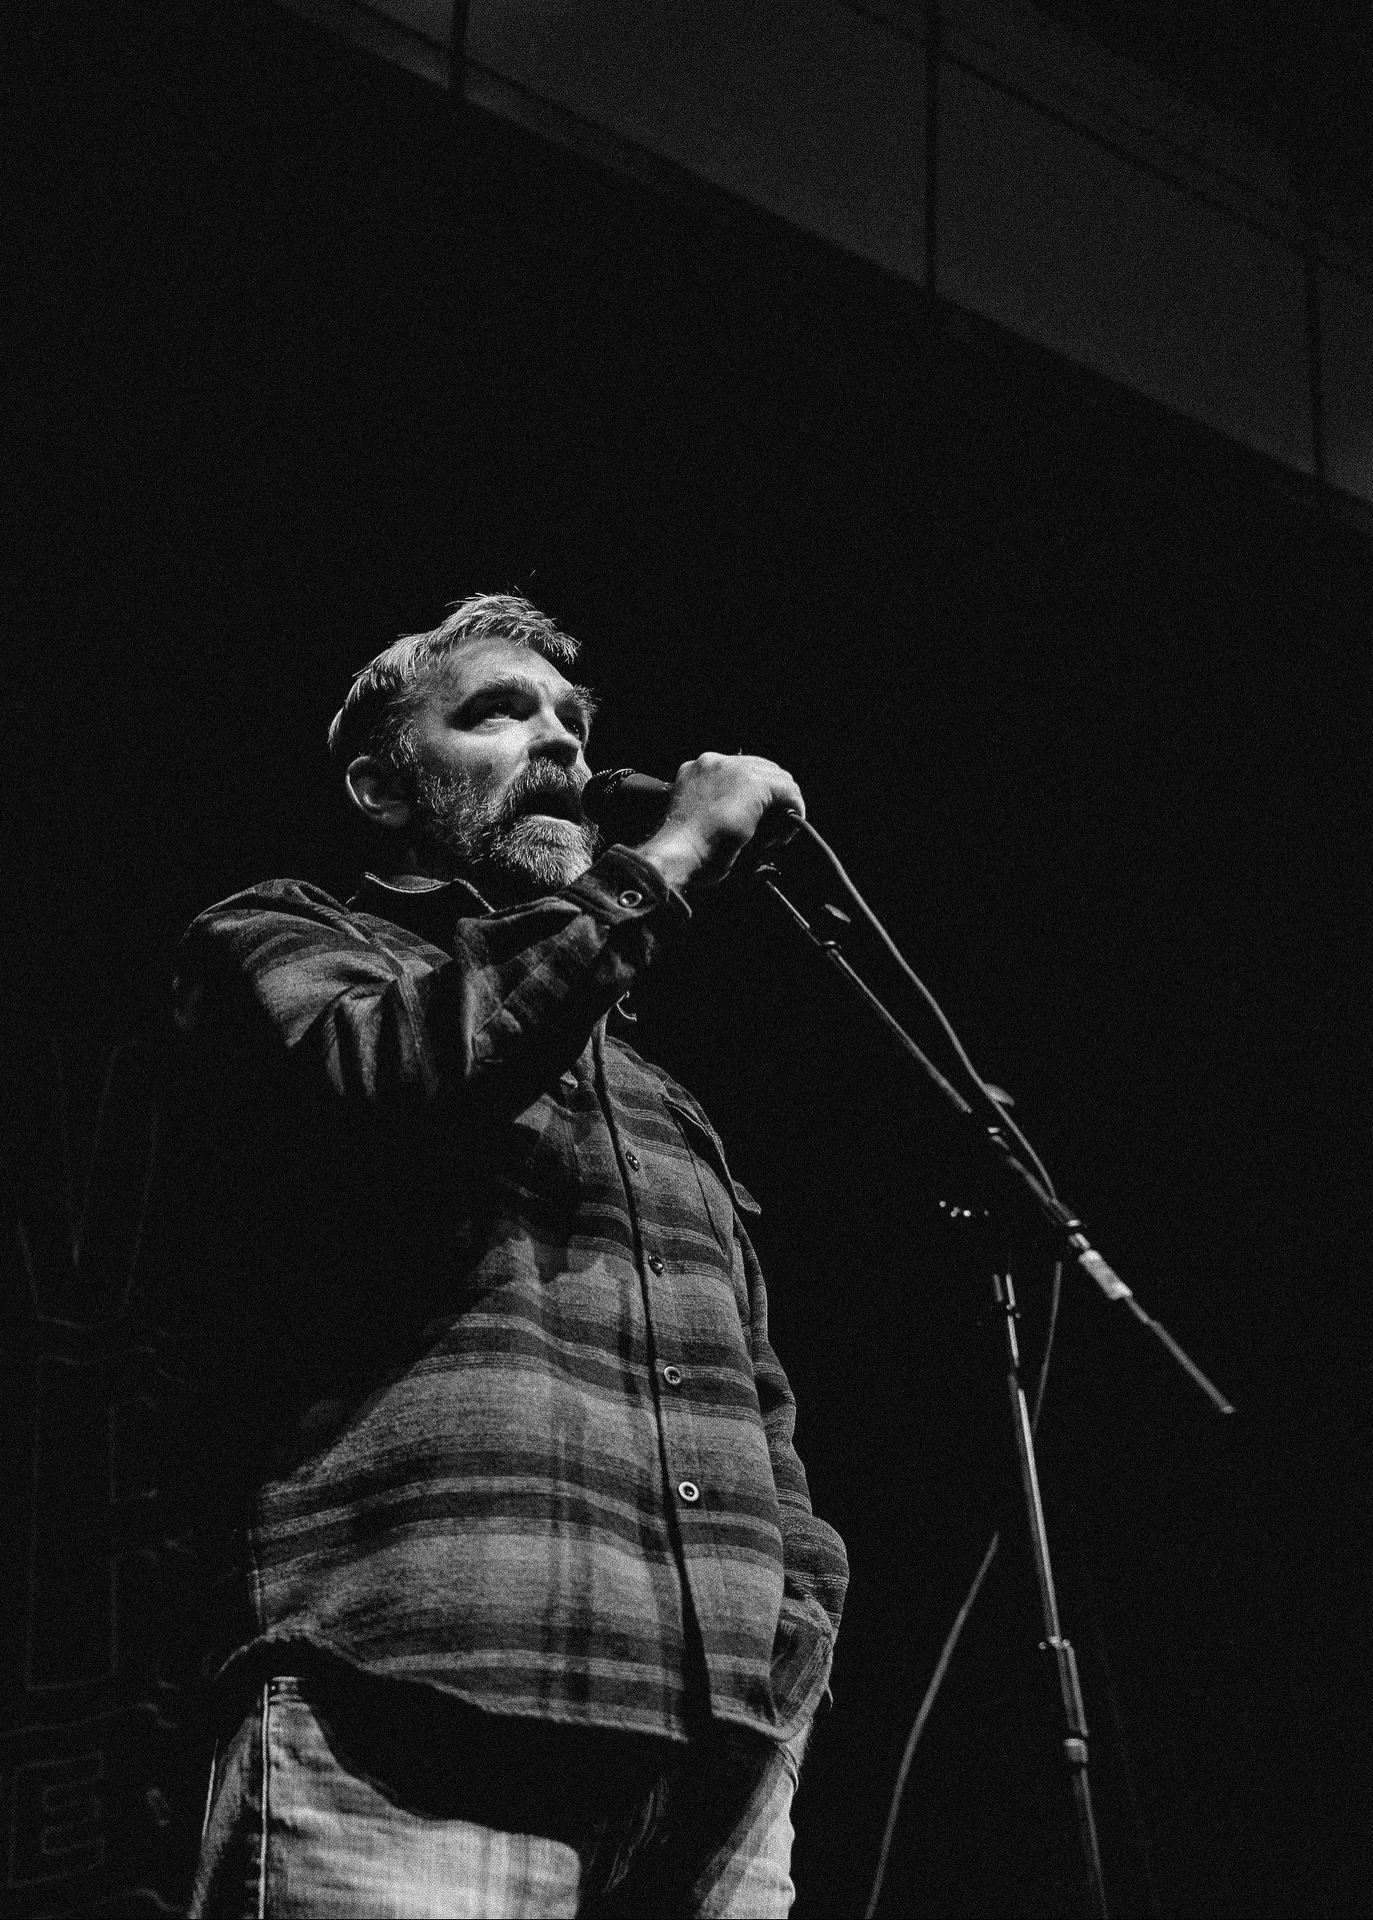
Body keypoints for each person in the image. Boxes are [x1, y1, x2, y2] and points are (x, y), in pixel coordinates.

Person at [173, 593, 848, 1917]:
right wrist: (669, 857)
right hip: (418, 1701)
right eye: (498, 711)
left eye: (574, 722)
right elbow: (398, 1071)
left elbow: (758, 1390)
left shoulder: (652, 1086)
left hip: (714, 1758)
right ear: (379, 783)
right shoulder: (282, 940)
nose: (561, 748)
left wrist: (798, 1620)